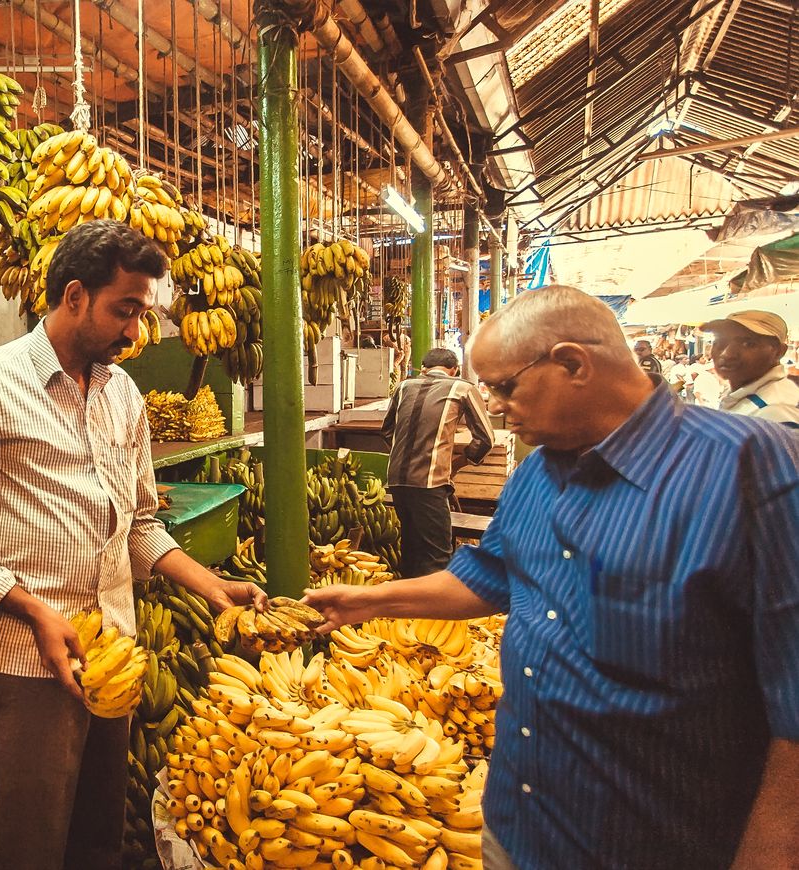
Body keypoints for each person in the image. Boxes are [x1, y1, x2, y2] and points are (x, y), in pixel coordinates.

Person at [303, 285, 799, 870]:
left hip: (655, 842)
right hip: (521, 825)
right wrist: (370, 602)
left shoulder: (753, 467)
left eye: (504, 386)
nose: (492, 406)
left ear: (572, 363)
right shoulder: (538, 470)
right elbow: (490, 575)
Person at [0, 219, 266, 870]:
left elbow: (137, 524)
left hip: (113, 656)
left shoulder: (123, 396)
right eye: (124, 310)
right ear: (74, 295)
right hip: (25, 670)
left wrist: (210, 586)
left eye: (143, 313)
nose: (137, 331)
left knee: (100, 841)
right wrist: (35, 610)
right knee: (31, 846)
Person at [381, 346, 494, 577]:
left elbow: (386, 432)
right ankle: (432, 611)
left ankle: (408, 608)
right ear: (454, 369)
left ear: (424, 368)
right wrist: (460, 462)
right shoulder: (462, 388)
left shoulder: (403, 386)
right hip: (430, 483)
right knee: (437, 555)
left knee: (411, 549)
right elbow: (486, 439)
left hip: (396, 480)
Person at [705, 310, 799, 429]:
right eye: (720, 342)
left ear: (779, 352)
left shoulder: (775, 412)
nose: (727, 354)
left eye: (748, 344)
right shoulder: (744, 394)